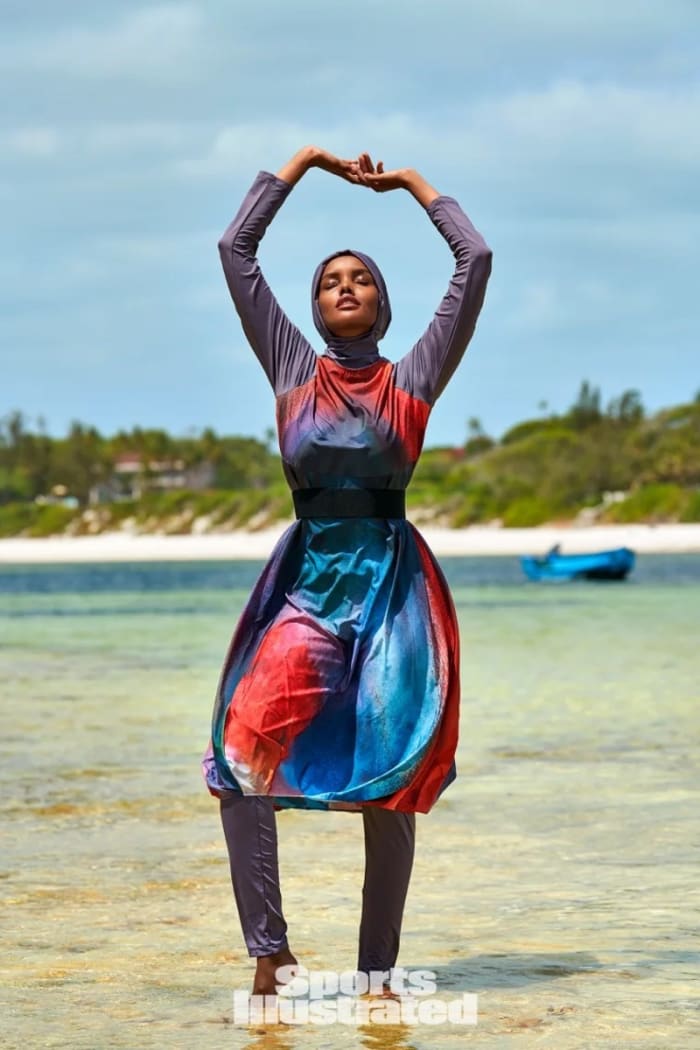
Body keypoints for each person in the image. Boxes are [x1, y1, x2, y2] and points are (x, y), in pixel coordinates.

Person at [202, 146, 492, 995]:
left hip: (395, 596)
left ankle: (377, 974)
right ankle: (271, 953)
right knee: (242, 757)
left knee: (391, 781)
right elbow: (235, 251)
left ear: (381, 301)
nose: (345, 286)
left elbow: (473, 260)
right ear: (316, 306)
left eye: (360, 277)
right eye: (331, 280)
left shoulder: (414, 379)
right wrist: (303, 165)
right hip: (310, 592)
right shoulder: (293, 370)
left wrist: (411, 187)